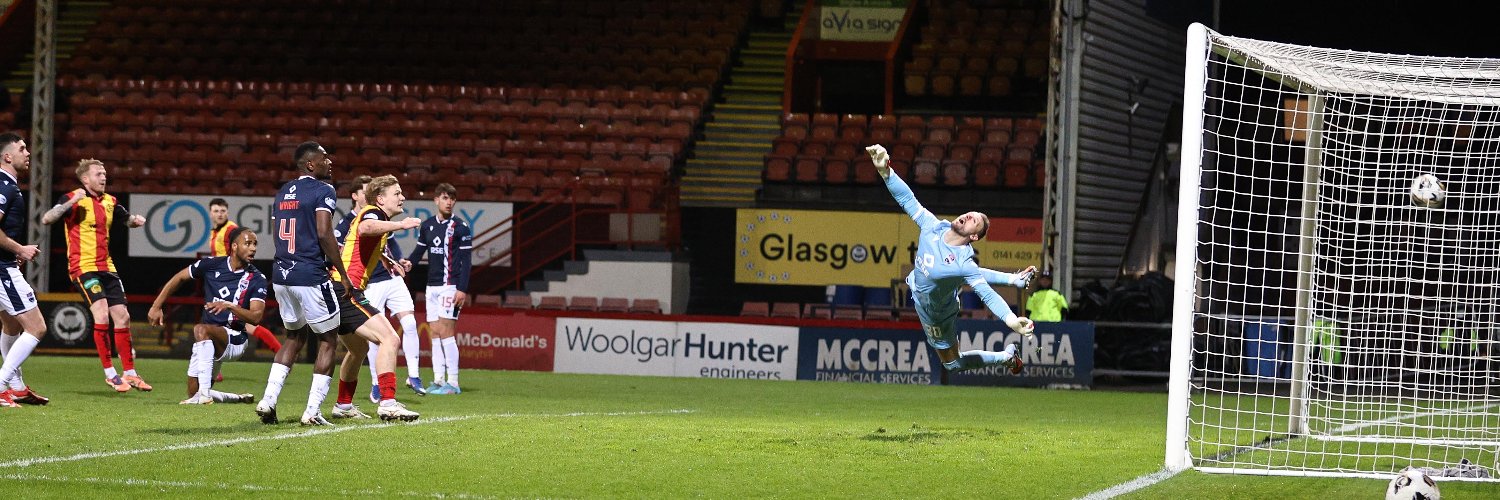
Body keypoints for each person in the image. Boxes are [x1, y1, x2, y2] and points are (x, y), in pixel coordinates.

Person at [866, 144, 1035, 374]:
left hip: (938, 313)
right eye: (970, 213)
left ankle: (1006, 357)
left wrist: (1011, 320)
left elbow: (986, 292)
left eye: (974, 220)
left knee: (953, 364)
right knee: (957, 277)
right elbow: (907, 199)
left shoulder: (963, 263)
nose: (968, 215)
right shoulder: (932, 226)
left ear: (974, 236)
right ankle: (1013, 280)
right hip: (918, 294)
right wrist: (886, 171)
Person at [253, 142, 347, 425]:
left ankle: (268, 400)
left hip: (282, 274)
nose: (329, 161)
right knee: (329, 340)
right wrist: (340, 270)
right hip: (310, 275)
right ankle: (312, 411)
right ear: (310, 165)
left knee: (294, 337)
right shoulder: (323, 190)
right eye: (324, 158)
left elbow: (275, 234)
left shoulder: (282, 193)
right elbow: (323, 231)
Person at [41, 158, 150, 392]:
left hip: (107, 267)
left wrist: (136, 221)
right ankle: (110, 373)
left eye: (104, 173)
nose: (103, 177)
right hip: (83, 266)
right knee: (101, 313)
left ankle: (129, 373)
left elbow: (126, 219)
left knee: (122, 317)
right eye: (98, 174)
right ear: (85, 179)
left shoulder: (111, 201)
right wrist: (70, 203)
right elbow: (47, 218)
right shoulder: (73, 198)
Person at [326, 174, 422, 420]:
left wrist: (390, 261)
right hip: (346, 290)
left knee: (358, 350)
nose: (402, 197)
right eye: (397, 193)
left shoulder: (376, 216)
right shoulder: (373, 213)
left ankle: (343, 406)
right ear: (380, 199)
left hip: (338, 287)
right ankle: (388, 402)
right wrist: (403, 225)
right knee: (389, 338)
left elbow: (359, 245)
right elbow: (366, 228)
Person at [147, 226, 263, 405]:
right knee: (193, 393)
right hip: (208, 341)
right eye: (247, 243)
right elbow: (179, 278)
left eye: (255, 244)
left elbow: (256, 317)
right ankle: (236, 398)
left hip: (235, 339)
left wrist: (230, 306)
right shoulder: (212, 265)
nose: (253, 248)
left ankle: (205, 394)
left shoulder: (256, 278)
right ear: (234, 246)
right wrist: (156, 306)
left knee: (200, 329)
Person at [407, 183, 472, 395]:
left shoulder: (461, 227)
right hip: (431, 287)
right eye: (445, 198)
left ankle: (453, 382)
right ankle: (438, 379)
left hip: (450, 286)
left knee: (446, 331)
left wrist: (461, 289)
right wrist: (408, 264)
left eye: (452, 198)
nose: (449, 202)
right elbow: (419, 252)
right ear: (436, 200)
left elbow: (466, 261)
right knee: (434, 333)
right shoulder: (426, 226)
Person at [207, 198, 281, 381]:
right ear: (210, 213)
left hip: (235, 282)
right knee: (230, 324)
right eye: (216, 211)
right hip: (224, 282)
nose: (219, 214)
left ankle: (282, 355)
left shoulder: (230, 230)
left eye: (222, 210)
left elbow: (236, 252)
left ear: (227, 212)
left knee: (244, 322)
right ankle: (214, 368)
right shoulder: (215, 232)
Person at [0, 133, 49, 407]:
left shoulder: (9, 186)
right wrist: (19, 249)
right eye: (21, 149)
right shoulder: (4, 186)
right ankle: (2, 384)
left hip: (4, 264)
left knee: (10, 323)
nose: (28, 153)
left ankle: (16, 387)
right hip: (2, 269)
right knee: (37, 327)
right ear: (8, 156)